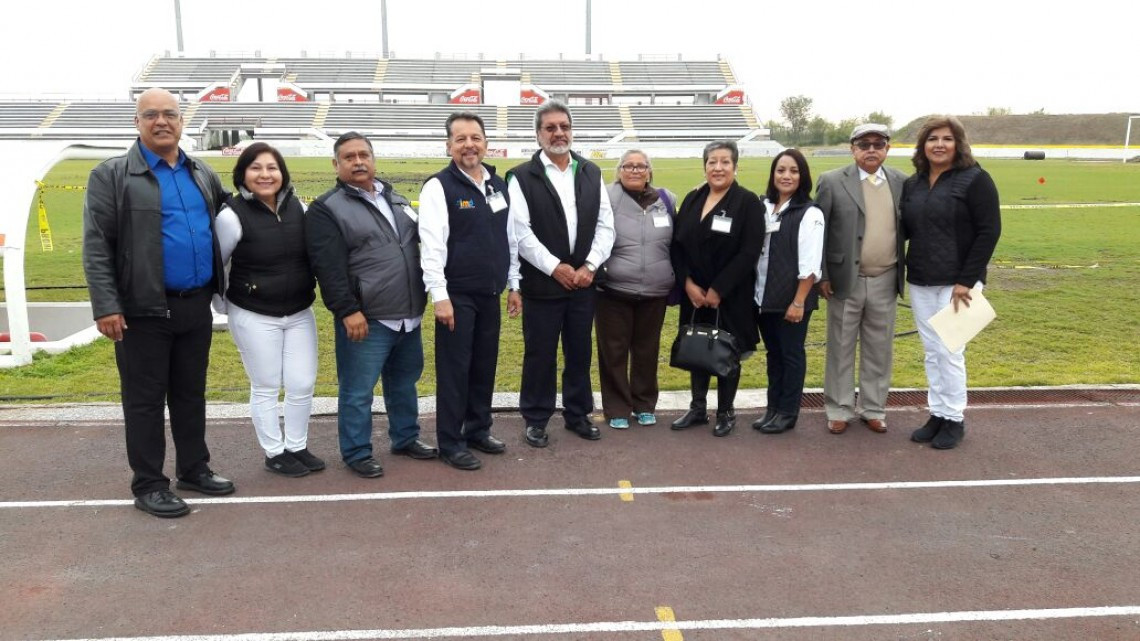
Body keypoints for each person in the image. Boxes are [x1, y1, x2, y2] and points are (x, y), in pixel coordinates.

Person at [83, 87, 234, 518]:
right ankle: (149, 483)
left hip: (194, 305)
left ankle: (194, 468)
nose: (162, 121)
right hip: (140, 310)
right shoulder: (111, 175)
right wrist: (106, 305)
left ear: (182, 122)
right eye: (151, 115)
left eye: (170, 114)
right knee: (145, 400)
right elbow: (97, 246)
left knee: (191, 394)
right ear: (137, 123)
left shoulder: (202, 172)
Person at [306, 132, 438, 478]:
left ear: (374, 159)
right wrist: (347, 310)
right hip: (367, 317)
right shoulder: (327, 208)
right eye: (349, 157)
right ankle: (356, 451)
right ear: (336, 165)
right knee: (357, 390)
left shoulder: (396, 198)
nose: (358, 161)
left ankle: (406, 437)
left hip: (408, 314)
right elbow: (328, 267)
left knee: (404, 382)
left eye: (364, 154)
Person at [507, 100, 615, 448]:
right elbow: (520, 233)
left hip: (583, 283)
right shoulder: (522, 176)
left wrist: (589, 266)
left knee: (580, 351)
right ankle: (536, 418)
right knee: (540, 353)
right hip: (542, 283)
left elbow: (605, 226)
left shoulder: (590, 171)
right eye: (550, 128)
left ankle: (578, 413)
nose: (558, 133)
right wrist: (556, 267)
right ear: (539, 134)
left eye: (564, 126)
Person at [419, 112, 522, 471]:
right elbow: (431, 246)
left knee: (483, 366)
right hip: (457, 295)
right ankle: (450, 441)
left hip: (490, 293)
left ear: (486, 143)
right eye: (460, 139)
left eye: (475, 137)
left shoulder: (497, 184)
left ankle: (478, 428)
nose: (469, 145)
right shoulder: (439, 186)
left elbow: (510, 238)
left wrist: (513, 283)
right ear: (448, 146)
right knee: (454, 370)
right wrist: (440, 295)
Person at [215, 142, 324, 478]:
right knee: (265, 384)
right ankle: (274, 451)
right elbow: (217, 265)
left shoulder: (298, 207)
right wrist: (224, 305)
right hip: (253, 313)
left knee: (302, 382)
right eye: (256, 168)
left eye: (272, 168)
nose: (265, 175)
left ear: (282, 173)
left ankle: (296, 445)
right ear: (243, 174)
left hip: (298, 311)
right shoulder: (231, 215)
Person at [901, 115, 1001, 449]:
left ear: (957, 143)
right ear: (923, 146)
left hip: (958, 283)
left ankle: (954, 418)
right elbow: (905, 230)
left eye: (946, 138)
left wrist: (967, 279)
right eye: (932, 139)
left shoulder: (976, 179)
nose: (939, 145)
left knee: (950, 350)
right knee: (932, 351)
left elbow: (989, 231)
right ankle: (938, 413)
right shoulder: (913, 183)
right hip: (920, 279)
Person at [816, 124, 908, 435]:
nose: (871, 150)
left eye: (878, 144)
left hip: (886, 276)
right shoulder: (831, 181)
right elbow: (821, 231)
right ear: (852, 148)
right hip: (845, 279)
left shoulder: (901, 182)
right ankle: (839, 408)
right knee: (840, 346)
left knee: (879, 348)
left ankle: (873, 408)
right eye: (864, 144)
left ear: (887, 148)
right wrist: (824, 275)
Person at [670, 141, 765, 437]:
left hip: (730, 295)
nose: (718, 168)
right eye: (712, 162)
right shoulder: (693, 197)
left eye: (725, 162)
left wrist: (718, 289)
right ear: (705, 166)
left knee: (726, 352)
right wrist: (688, 284)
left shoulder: (747, 202)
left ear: (735, 166)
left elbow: (749, 252)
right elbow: (677, 245)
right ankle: (698, 408)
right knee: (697, 348)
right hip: (694, 295)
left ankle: (726, 412)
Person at [595, 150, 677, 429]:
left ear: (649, 172)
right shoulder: (605, 196)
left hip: (655, 290)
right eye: (628, 166)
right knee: (613, 351)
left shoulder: (666, 200)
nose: (635, 170)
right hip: (614, 289)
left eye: (641, 166)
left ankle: (644, 404)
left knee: (647, 350)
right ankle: (617, 407)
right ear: (619, 171)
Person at [752, 149, 825, 435]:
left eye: (793, 171)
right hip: (764, 297)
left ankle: (787, 412)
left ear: (802, 176)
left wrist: (798, 301)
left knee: (791, 355)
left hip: (792, 300)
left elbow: (810, 264)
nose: (786, 176)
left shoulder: (809, 212)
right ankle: (772, 408)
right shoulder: (764, 206)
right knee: (774, 355)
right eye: (781, 170)